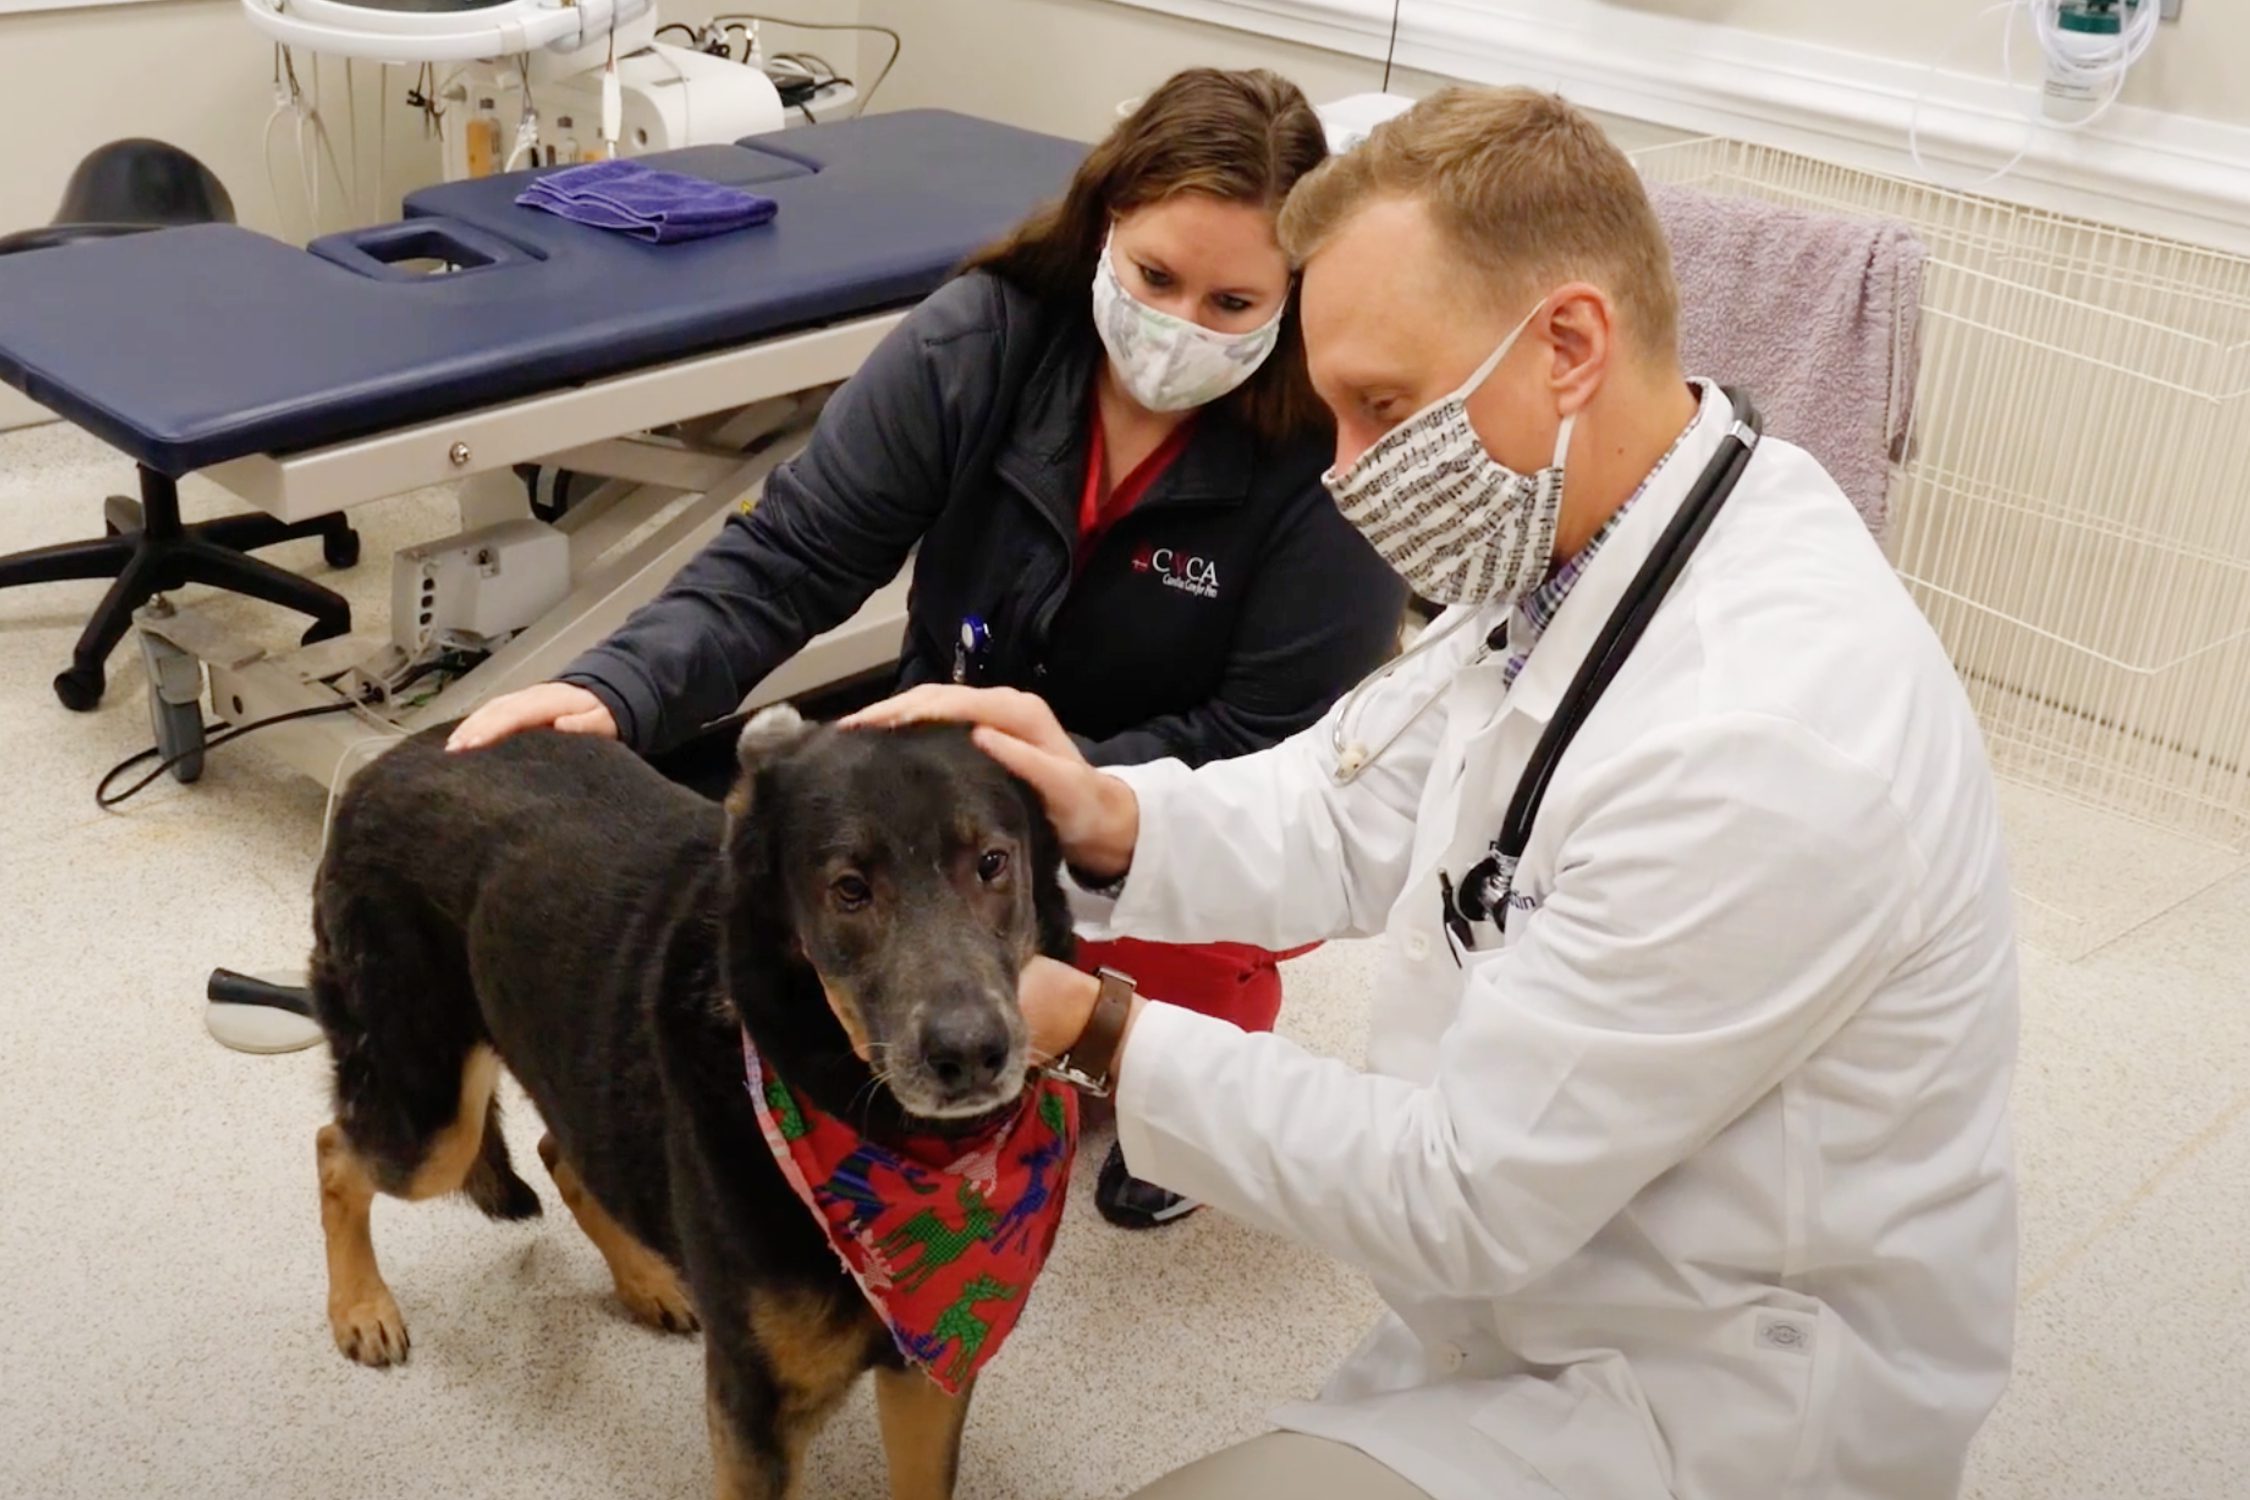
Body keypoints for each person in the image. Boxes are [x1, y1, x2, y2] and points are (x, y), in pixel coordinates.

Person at [848, 87, 2019, 1500]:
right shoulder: (1597, 542)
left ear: (1568, 345)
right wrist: (1103, 815)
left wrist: (1092, 1027)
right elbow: (1344, 805)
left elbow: (1456, 1194)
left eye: (1380, 408)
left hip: (1710, 1394)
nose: (1341, 473)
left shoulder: (1762, 749)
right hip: (1534, 1299)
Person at [445, 67, 1407, 1230]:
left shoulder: (1331, 449)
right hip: (944, 776)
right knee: (830, 949)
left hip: (1165, 799)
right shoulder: (983, 341)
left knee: (1139, 1004)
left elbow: (1278, 748)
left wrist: (1059, 799)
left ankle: (1210, 1019)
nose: (1179, 327)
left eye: (1233, 305)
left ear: (1294, 298)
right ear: (1105, 223)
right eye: (1155, 277)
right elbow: (792, 554)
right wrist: (615, 689)